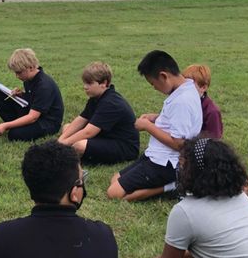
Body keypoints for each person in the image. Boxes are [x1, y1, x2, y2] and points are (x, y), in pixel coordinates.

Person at [107, 50, 202, 201]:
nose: (154, 88)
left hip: (167, 163)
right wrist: (155, 118)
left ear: (164, 76)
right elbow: (180, 121)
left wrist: (147, 126)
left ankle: (172, 185)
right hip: (155, 154)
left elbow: (179, 144)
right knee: (115, 179)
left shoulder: (182, 101)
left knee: (114, 194)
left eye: (153, 83)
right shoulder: (186, 87)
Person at [58, 62, 139, 164]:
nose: (85, 87)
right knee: (67, 127)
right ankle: (68, 151)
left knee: (79, 146)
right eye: (84, 83)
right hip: (105, 136)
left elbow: (89, 132)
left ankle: (67, 159)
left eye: (89, 83)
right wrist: (61, 140)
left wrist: (64, 143)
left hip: (124, 146)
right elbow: (81, 119)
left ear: (104, 83)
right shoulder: (96, 97)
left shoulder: (111, 103)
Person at [0, 49, 64, 141]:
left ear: (31, 67)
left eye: (19, 72)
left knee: (14, 134)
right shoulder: (29, 79)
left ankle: (14, 125)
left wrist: (7, 125)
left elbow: (33, 117)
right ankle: (17, 124)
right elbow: (33, 98)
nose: (17, 76)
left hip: (47, 122)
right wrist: (21, 95)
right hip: (34, 112)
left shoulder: (44, 86)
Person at [181, 64, 223, 139]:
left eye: (190, 85)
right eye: (184, 84)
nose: (185, 88)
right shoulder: (183, 103)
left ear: (203, 87)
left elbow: (214, 142)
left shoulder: (212, 112)